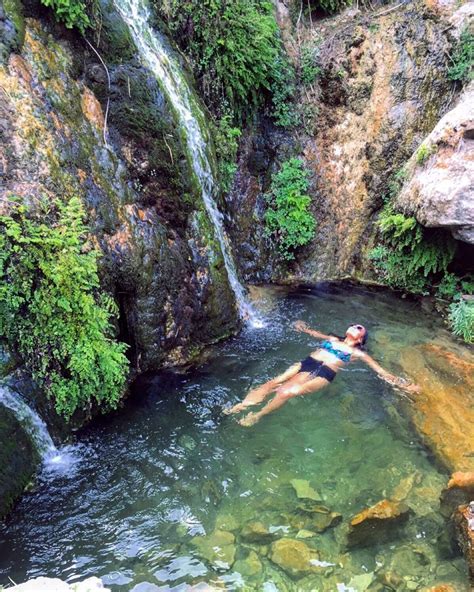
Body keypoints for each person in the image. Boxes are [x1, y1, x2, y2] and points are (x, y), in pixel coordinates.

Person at [225, 321, 420, 426]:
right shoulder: (333, 338)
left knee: (287, 391)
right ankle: (242, 405)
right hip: (307, 362)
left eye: (359, 327)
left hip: (324, 373)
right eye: (353, 324)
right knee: (273, 382)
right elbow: (314, 334)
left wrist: (404, 384)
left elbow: (380, 371)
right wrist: (303, 327)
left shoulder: (358, 353)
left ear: (361, 339)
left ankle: (258, 415)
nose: (354, 326)